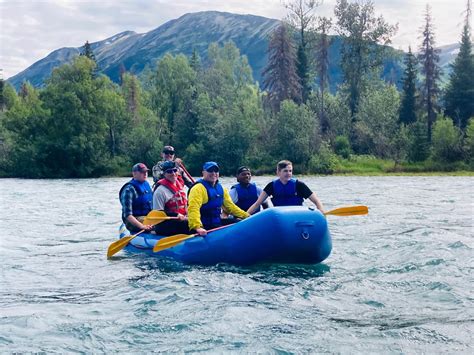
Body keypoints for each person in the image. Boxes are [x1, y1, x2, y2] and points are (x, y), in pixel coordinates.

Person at [188, 161, 250, 236]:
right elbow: (193, 209)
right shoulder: (198, 189)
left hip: (217, 222)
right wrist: (197, 227)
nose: (213, 173)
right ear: (203, 173)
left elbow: (231, 207)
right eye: (210, 170)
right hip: (204, 226)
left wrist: (247, 216)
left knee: (239, 223)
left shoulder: (221, 189)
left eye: (216, 171)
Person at [247, 160, 324, 214]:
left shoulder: (299, 185)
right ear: (278, 172)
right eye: (285, 171)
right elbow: (257, 204)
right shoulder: (271, 186)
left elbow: (316, 201)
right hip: (282, 217)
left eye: (290, 171)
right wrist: (245, 216)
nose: (289, 173)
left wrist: (321, 211)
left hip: (297, 215)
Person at [152, 161, 190, 235]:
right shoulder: (160, 191)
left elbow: (185, 204)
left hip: (182, 220)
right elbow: (158, 213)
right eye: (169, 171)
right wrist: (176, 215)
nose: (173, 173)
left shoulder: (180, 186)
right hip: (164, 224)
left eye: (175, 170)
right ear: (164, 174)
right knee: (188, 225)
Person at [119, 163, 154, 233]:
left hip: (147, 216)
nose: (145, 174)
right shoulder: (129, 190)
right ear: (134, 174)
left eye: (146, 172)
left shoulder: (146, 184)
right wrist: (142, 226)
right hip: (133, 220)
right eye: (142, 172)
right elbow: (128, 215)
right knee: (157, 225)